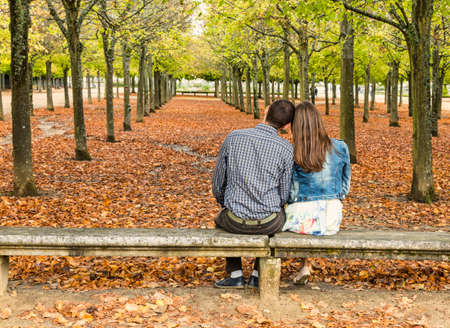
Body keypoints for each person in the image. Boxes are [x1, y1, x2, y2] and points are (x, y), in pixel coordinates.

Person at [212, 100, 295, 288]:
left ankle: (235, 274)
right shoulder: (286, 149)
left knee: (220, 220)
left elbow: (218, 183)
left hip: (234, 219)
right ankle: (257, 275)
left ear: (265, 111)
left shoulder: (233, 138)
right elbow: (284, 195)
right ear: (287, 125)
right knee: (279, 218)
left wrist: (225, 202)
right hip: (269, 222)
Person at [282, 101, 351, 285]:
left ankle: (304, 265)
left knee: (295, 214)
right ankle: (306, 265)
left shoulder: (293, 151)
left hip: (302, 219)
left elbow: (291, 192)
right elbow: (345, 187)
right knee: (314, 214)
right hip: (331, 219)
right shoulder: (340, 147)